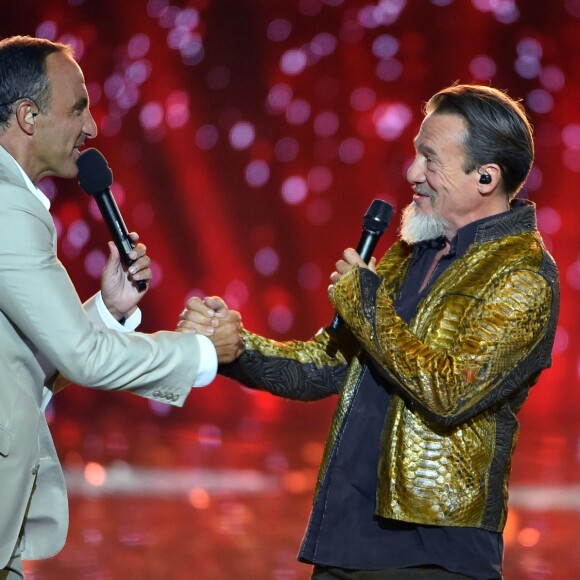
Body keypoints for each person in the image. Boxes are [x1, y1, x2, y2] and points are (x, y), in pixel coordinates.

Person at [180, 84, 560, 579]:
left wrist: (365, 305)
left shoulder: (524, 275)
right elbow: (326, 366)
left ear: (485, 177)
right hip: (346, 538)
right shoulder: (411, 252)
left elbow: (450, 391)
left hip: (433, 554)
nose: (411, 173)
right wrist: (232, 347)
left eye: (429, 159)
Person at [0, 35, 243, 578]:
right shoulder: (7, 208)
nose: (92, 128)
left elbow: (21, 361)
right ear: (28, 116)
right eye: (78, 108)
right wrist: (203, 351)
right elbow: (84, 358)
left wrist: (106, 309)